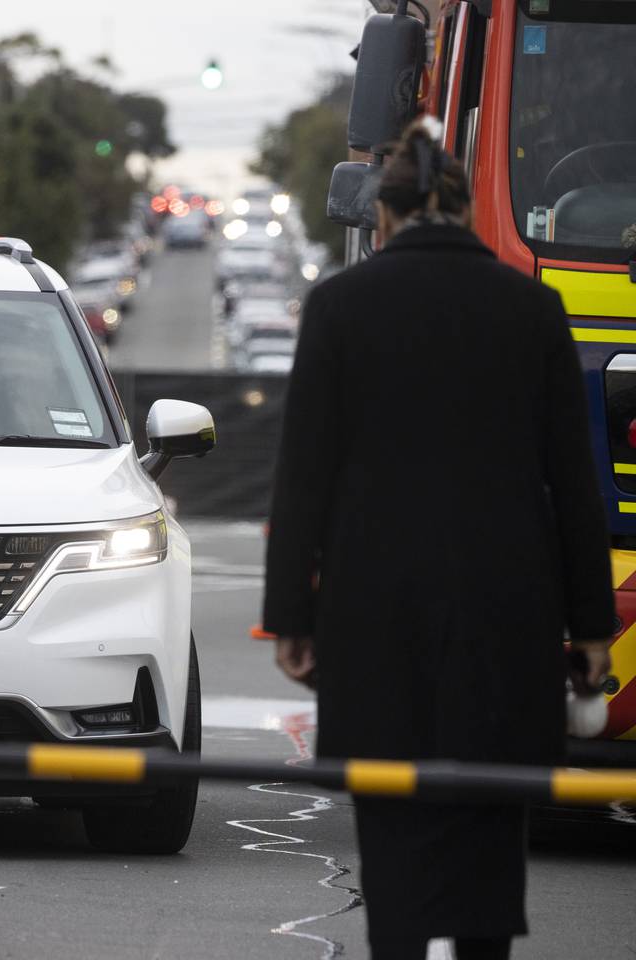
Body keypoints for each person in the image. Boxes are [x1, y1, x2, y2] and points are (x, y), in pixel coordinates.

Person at [261, 120, 614, 960]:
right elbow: (575, 482)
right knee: (491, 829)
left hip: (374, 617)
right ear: (460, 210)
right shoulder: (534, 310)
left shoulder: (341, 308)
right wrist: (592, 627)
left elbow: (302, 475)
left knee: (393, 834)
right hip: (507, 616)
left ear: (383, 217)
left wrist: (292, 620)